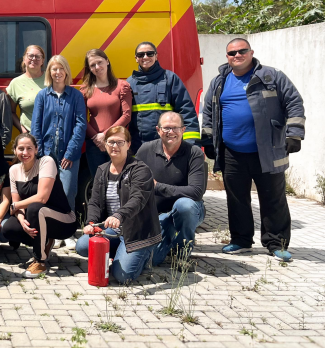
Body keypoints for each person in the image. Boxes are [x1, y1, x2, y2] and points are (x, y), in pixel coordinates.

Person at [201, 38, 305, 262]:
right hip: (232, 152)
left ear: (251, 52)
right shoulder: (220, 81)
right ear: (227, 56)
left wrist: (294, 133)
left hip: (267, 150)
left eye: (242, 51)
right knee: (236, 198)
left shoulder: (271, 76)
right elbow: (208, 110)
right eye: (232, 53)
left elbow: (294, 102)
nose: (237, 55)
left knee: (273, 198)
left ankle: (276, 243)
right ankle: (240, 240)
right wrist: (208, 140)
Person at [76, 126, 160, 284]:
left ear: (128, 144)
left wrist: (119, 215)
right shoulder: (102, 170)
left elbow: (138, 199)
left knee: (122, 276)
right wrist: (92, 223)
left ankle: (146, 254)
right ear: (105, 145)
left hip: (137, 232)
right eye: (111, 142)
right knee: (82, 245)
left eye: (120, 142)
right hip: (113, 230)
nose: (115, 146)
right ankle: (121, 253)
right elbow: (94, 202)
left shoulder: (140, 170)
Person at [0, 134, 78, 278]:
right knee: (9, 228)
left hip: (64, 220)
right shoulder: (14, 170)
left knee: (36, 208)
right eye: (21, 149)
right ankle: (45, 241)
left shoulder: (46, 162)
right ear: (15, 151)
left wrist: (15, 205)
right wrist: (22, 220)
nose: (25, 153)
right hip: (37, 216)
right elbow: (18, 205)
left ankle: (40, 261)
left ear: (36, 149)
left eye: (29, 148)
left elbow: (42, 197)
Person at [137, 112, 206, 267]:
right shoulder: (145, 150)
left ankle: (182, 253)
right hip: (158, 214)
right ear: (158, 130)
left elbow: (196, 192)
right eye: (166, 128)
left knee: (184, 206)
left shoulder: (194, 153)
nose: (171, 132)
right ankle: (169, 241)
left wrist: (158, 187)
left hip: (188, 211)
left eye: (176, 128)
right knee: (153, 259)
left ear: (183, 130)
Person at [30, 55, 87, 216]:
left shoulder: (76, 96)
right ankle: (50, 228)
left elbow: (80, 124)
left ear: (66, 71)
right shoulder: (42, 95)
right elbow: (36, 126)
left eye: (61, 68)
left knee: (68, 191)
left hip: (69, 153)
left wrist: (70, 153)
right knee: (47, 191)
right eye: (54, 69)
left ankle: (67, 229)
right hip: (46, 153)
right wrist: (40, 154)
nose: (58, 72)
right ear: (49, 72)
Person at [127, 41, 199, 152]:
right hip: (138, 147)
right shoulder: (130, 83)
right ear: (136, 58)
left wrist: (190, 145)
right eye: (141, 55)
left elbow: (186, 111)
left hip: (168, 146)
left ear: (156, 56)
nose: (145, 57)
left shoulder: (170, 78)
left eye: (149, 53)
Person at [80, 49, 131, 177]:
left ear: (107, 61)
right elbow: (80, 118)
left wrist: (106, 135)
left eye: (100, 62)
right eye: (92, 65)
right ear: (89, 68)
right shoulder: (85, 89)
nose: (97, 67)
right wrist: (96, 138)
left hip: (117, 142)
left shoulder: (122, 86)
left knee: (119, 182)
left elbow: (126, 115)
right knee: (98, 183)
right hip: (94, 145)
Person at [7, 45, 47, 136]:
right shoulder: (15, 83)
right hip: (30, 136)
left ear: (42, 60)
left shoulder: (51, 79)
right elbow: (11, 112)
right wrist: (23, 130)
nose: (34, 59)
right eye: (30, 56)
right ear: (24, 59)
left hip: (51, 135)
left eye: (38, 56)